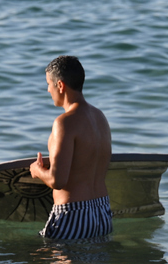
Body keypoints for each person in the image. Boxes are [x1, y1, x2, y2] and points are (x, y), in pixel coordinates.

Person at [30, 56, 113, 240]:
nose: (47, 89)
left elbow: (58, 180)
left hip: (73, 213)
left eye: (49, 84)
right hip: (102, 212)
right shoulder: (100, 118)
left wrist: (37, 170)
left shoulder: (64, 123)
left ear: (60, 85)